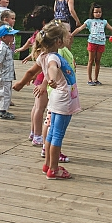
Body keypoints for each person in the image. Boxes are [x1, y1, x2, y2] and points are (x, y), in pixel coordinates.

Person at [36, 21, 80, 180]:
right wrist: (52, 79)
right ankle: (54, 169)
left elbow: (40, 69)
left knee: (52, 132)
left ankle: (48, 165)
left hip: (57, 98)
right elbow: (52, 68)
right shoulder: (53, 57)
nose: (69, 37)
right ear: (58, 42)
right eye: (66, 35)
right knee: (57, 135)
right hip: (63, 100)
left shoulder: (44, 55)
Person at [16, 6, 55, 145]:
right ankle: (38, 135)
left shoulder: (38, 34)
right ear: (45, 22)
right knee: (40, 107)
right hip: (43, 75)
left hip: (39, 74)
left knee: (37, 106)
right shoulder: (46, 37)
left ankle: (33, 132)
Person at [71, 2, 112, 86]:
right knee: (91, 60)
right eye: (96, 12)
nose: (98, 14)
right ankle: (89, 79)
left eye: (100, 12)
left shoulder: (104, 22)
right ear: (92, 12)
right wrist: (71, 35)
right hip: (92, 42)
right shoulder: (89, 21)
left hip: (101, 43)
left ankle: (96, 79)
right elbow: (80, 29)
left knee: (97, 61)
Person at [0, 9, 17, 110]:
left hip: (7, 71)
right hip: (2, 73)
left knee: (6, 90)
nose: (13, 37)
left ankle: (5, 103)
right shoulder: (1, 46)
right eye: (11, 35)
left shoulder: (6, 45)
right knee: (0, 89)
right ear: (4, 37)